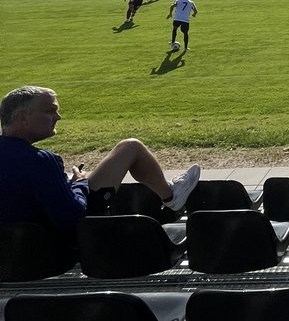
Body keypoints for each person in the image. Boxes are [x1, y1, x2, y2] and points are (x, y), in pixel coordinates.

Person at [0, 85, 201, 231]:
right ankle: (171, 196)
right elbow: (73, 215)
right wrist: (79, 183)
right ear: (23, 118)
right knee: (131, 147)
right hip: (56, 248)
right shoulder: (42, 160)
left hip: (12, 254)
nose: (58, 117)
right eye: (50, 111)